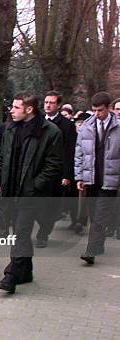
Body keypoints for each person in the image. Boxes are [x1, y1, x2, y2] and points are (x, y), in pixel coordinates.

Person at [0, 93, 63, 294]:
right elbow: (1, 158)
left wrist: (35, 185)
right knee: (18, 231)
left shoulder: (50, 131)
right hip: (11, 191)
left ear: (29, 109)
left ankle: (11, 275)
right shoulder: (10, 129)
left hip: (32, 194)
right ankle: (26, 271)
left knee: (21, 232)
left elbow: (53, 164)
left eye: (16, 107)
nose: (11, 110)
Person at [75, 91, 120, 264]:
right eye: (94, 110)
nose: (96, 114)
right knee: (94, 214)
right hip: (91, 177)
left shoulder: (118, 127)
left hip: (110, 178)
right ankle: (98, 244)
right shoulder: (86, 126)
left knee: (101, 214)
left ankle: (91, 250)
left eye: (100, 110)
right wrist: (79, 177)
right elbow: (79, 153)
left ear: (108, 108)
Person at [35, 90, 76, 247]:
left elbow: (69, 150)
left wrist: (67, 174)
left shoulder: (67, 125)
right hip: (39, 169)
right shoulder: (38, 122)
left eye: (51, 102)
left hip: (57, 171)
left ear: (58, 105)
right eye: (46, 102)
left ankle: (43, 233)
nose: (48, 105)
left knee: (51, 206)